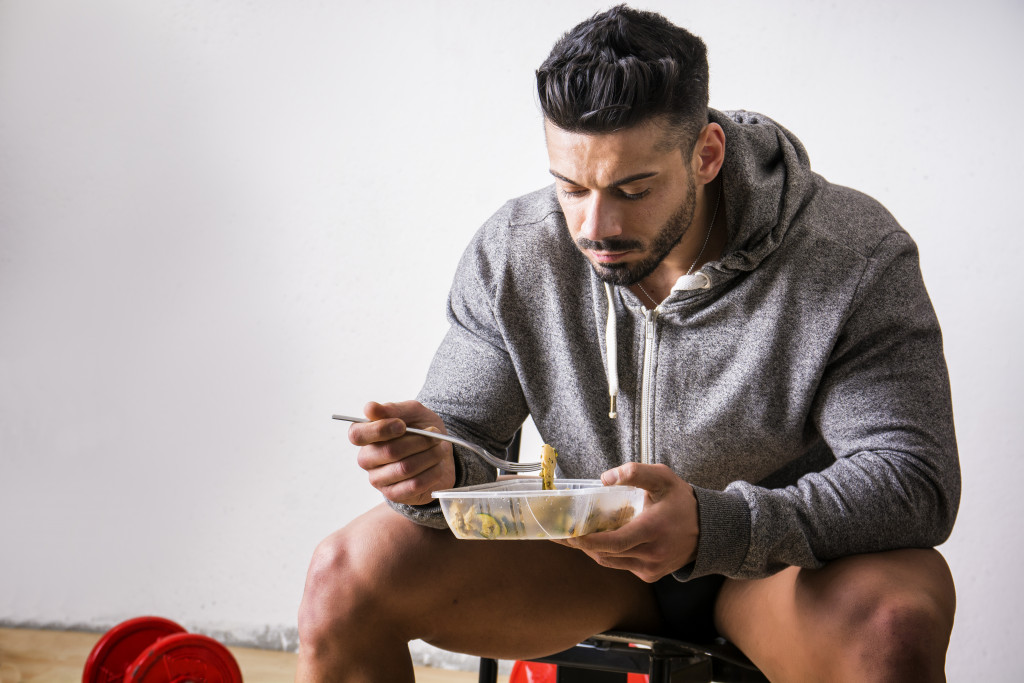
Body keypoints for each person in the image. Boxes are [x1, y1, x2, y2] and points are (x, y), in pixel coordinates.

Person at [296, 5, 960, 681]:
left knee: (895, 623)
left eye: (633, 189)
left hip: (773, 569)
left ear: (706, 155)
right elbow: (462, 438)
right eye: (572, 187)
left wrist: (714, 525)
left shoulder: (850, 253)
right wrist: (436, 468)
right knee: (342, 577)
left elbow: (914, 479)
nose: (596, 226)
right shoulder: (517, 251)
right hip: (586, 562)